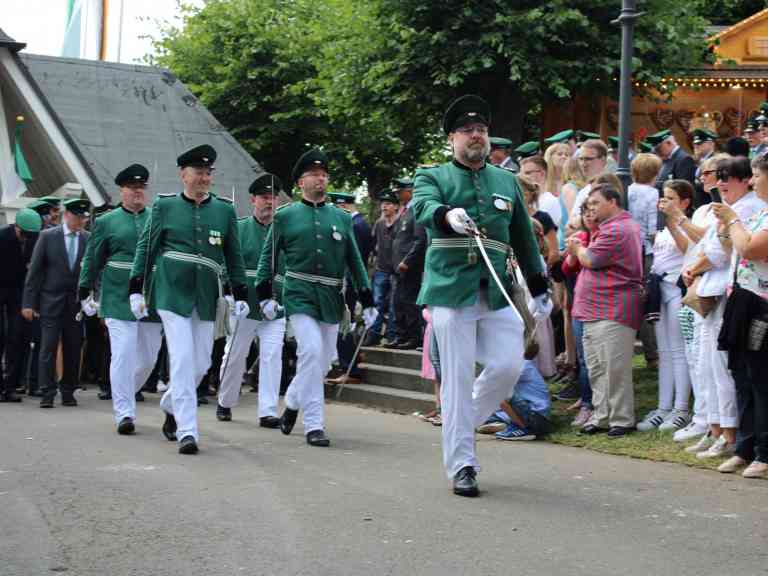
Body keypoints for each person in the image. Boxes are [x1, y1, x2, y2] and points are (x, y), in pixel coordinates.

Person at [411, 95, 549, 497]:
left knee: (508, 368)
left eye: (482, 131)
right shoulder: (431, 176)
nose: (477, 136)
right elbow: (423, 207)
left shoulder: (505, 181)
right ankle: (463, 465)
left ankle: (459, 423)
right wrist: (444, 215)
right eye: (468, 130)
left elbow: (523, 238)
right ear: (453, 138)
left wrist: (538, 287)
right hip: (450, 290)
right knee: (455, 379)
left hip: (499, 290)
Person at [129, 144, 250, 455]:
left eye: (208, 174)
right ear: (183, 175)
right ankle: (188, 431)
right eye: (198, 173)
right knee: (182, 360)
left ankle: (170, 404)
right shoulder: (165, 207)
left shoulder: (223, 211)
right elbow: (146, 248)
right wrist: (135, 288)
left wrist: (241, 293)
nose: (204, 179)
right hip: (172, 293)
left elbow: (233, 256)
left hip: (207, 296)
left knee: (201, 364)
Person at [255, 148, 376, 448]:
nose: (321, 179)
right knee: (309, 350)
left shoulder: (341, 217)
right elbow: (267, 259)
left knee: (322, 363)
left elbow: (354, 260)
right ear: (300, 183)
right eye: (314, 175)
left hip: (331, 295)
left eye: (324, 175)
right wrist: (263, 294)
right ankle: (314, 425)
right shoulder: (285, 216)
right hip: (299, 292)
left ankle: (293, 402)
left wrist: (367, 297)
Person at [681, 156, 766, 460]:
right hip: (729, 292)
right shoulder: (740, 211)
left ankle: (738, 438)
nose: (720, 184)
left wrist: (729, 223)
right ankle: (722, 431)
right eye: (718, 177)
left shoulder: (749, 209)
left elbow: (735, 248)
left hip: (747, 298)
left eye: (727, 177)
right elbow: (712, 245)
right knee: (716, 368)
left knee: (740, 373)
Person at [77, 164, 162, 434]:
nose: (138, 192)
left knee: (148, 358)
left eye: (141, 188)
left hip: (151, 295)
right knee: (123, 354)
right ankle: (124, 412)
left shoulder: (157, 218)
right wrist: (85, 290)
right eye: (132, 188)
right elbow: (92, 259)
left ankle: (126, 390)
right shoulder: (106, 222)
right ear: (122, 190)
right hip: (117, 295)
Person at [567, 184, 643, 437]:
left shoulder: (619, 228)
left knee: (614, 367)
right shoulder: (607, 227)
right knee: (597, 367)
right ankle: (602, 416)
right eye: (588, 205)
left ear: (612, 201)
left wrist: (577, 248)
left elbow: (591, 260)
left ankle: (621, 418)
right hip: (595, 308)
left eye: (596, 203)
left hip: (614, 307)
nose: (591, 209)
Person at [711, 154, 768, 478]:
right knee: (742, 376)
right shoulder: (760, 212)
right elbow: (734, 248)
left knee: (761, 380)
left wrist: (732, 220)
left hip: (762, 305)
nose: (754, 180)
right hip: (742, 299)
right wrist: (726, 227)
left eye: (757, 175)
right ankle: (744, 448)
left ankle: (764, 452)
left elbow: (751, 249)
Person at [216, 174, 287, 427]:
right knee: (235, 355)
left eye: (273, 198)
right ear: (253, 200)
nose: (269, 202)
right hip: (244, 304)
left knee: (272, 355)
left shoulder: (283, 232)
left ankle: (267, 411)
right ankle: (225, 401)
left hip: (275, 307)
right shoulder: (239, 228)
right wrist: (229, 293)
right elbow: (226, 263)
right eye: (264, 197)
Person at [636, 180, 694, 432]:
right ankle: (663, 406)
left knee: (679, 352)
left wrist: (672, 219)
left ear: (684, 202)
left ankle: (681, 407)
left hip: (677, 290)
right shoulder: (661, 228)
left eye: (670, 198)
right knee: (666, 352)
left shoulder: (686, 224)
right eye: (664, 197)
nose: (664, 202)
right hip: (660, 291)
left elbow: (688, 248)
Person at [22, 198, 91, 408]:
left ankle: (68, 390)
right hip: (50, 301)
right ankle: (47, 391)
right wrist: (28, 303)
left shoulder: (88, 239)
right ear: (67, 215)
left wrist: (92, 298)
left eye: (84, 218)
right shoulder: (48, 236)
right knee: (48, 347)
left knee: (73, 347)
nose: (81, 222)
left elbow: (93, 270)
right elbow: (35, 272)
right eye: (78, 217)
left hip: (75, 303)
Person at [561, 201, 598, 427]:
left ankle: (595, 404)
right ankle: (586, 402)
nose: (589, 216)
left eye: (593, 212)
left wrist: (578, 252)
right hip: (579, 303)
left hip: (598, 305)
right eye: (585, 212)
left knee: (596, 360)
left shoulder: (603, 237)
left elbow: (593, 261)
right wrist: (574, 252)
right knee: (584, 359)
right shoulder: (582, 238)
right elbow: (567, 268)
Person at [0, 208, 42, 403]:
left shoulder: (34, 238)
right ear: (16, 227)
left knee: (17, 337)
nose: (26, 239)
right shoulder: (2, 238)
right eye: (23, 234)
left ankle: (9, 387)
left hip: (19, 292)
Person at [628, 153, 662, 369]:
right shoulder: (652, 193)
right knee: (647, 300)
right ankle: (652, 354)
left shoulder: (627, 189)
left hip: (627, 249)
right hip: (646, 251)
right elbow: (652, 229)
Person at [387, 177, 427, 350]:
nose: (397, 195)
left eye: (399, 192)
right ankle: (401, 335)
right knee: (398, 302)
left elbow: (420, 240)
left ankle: (414, 337)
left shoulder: (416, 210)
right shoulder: (404, 211)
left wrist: (407, 261)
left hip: (409, 267)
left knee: (410, 302)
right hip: (398, 267)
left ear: (409, 191)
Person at [365, 188, 399, 346]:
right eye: (383, 204)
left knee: (394, 305)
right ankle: (374, 333)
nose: (384, 207)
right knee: (377, 302)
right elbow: (373, 244)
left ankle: (392, 335)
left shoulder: (402, 222)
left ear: (396, 207)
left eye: (388, 204)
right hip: (381, 269)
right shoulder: (379, 224)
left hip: (397, 271)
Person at [647, 129, 697, 198]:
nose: (657, 152)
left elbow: (683, 189)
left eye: (659, 148)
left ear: (669, 143)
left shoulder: (684, 159)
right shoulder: (667, 158)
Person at [570, 139, 609, 220]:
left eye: (588, 159)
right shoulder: (584, 191)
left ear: (603, 160)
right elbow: (571, 223)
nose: (583, 164)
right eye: (581, 159)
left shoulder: (610, 188)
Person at [520, 155, 560, 228]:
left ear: (542, 174)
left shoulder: (550, 201)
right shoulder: (525, 199)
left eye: (527, 173)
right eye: (521, 173)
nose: (522, 177)